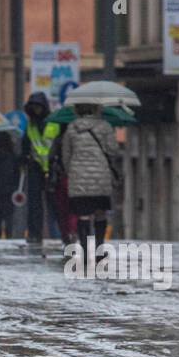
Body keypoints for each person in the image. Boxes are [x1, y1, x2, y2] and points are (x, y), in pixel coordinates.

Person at [60, 102, 122, 253]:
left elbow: (66, 155)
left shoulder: (72, 128)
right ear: (96, 108)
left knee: (83, 215)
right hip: (101, 176)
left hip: (78, 176)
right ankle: (100, 249)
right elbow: (113, 150)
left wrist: (71, 171)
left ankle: (86, 250)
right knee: (100, 213)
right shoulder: (105, 126)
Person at [20, 91, 59, 249]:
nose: (36, 110)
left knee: (55, 204)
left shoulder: (53, 123)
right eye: (33, 107)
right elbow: (26, 143)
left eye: (38, 107)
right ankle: (34, 234)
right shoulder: (31, 125)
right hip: (35, 167)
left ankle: (59, 233)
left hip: (53, 166)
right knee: (34, 204)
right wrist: (23, 158)